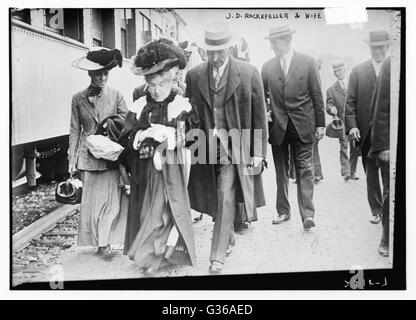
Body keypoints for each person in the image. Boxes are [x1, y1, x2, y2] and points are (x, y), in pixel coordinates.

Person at [186, 21, 267, 274]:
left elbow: (259, 116)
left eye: (221, 51)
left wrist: (257, 152)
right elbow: (190, 115)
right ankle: (228, 235)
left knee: (225, 194)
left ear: (230, 48)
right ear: (204, 50)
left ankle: (216, 256)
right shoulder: (195, 75)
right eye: (211, 52)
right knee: (212, 199)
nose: (216, 57)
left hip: (236, 148)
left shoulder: (249, 73)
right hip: (204, 147)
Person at [118, 39, 199, 273]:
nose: (156, 90)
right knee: (149, 211)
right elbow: (127, 136)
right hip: (146, 171)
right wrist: (142, 135)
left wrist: (170, 134)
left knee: (164, 211)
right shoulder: (140, 105)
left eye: (161, 84)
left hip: (172, 168)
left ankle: (152, 257)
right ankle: (156, 255)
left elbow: (193, 137)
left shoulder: (181, 104)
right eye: (151, 85)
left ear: (170, 80)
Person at [261, 25, 325, 230]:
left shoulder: (308, 62)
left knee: (305, 169)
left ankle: (307, 214)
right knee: (280, 172)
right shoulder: (267, 67)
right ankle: (283, 211)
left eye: (274, 42)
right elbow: (262, 97)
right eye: (270, 42)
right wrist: (268, 110)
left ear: (287, 40)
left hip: (303, 126)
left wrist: (321, 124)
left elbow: (317, 95)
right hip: (277, 127)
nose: (271, 46)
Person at [69, 48, 128, 257]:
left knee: (112, 203)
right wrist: (71, 158)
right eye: (98, 74)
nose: (102, 77)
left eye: (106, 74)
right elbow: (75, 129)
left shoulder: (117, 95)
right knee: (92, 204)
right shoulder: (77, 99)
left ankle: (106, 242)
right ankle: (97, 241)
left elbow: (127, 125)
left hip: (111, 157)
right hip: (89, 159)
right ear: (90, 74)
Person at [345, 30, 390, 224]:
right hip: (366, 135)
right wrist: (353, 127)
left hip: (389, 135)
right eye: (374, 48)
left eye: (381, 47)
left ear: (387, 47)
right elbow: (350, 104)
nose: (378, 51)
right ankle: (376, 210)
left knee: (389, 175)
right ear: (369, 48)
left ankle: (389, 210)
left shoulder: (396, 68)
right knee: (371, 175)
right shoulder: (358, 71)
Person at [369, 56, 391, 256]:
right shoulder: (391, 63)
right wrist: (383, 145)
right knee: (391, 193)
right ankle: (387, 237)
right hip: (392, 144)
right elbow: (381, 108)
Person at [326, 60, 360, 181]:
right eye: (335, 71)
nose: (338, 73)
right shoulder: (331, 89)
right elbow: (328, 105)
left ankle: (353, 170)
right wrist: (331, 109)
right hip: (342, 123)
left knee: (355, 146)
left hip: (355, 121)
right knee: (344, 146)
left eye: (340, 70)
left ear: (345, 70)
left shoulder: (354, 84)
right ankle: (346, 172)